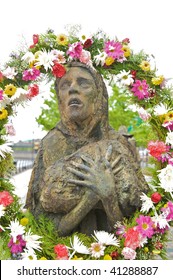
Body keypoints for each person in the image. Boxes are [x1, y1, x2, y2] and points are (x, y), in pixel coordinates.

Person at [25, 62, 148, 236]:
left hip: (112, 255)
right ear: (60, 99)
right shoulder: (50, 144)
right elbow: (45, 228)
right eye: (64, 85)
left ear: (98, 96)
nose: (72, 89)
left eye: (83, 83)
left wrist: (109, 197)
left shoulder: (118, 143)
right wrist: (89, 199)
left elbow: (134, 228)